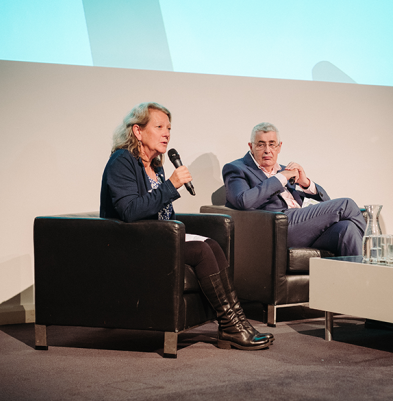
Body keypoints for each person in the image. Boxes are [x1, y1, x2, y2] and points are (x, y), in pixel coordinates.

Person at [100, 102, 272, 350]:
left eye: (169, 127)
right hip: (131, 245)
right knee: (202, 251)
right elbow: (130, 211)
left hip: (156, 238)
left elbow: (160, 211)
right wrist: (171, 186)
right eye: (159, 126)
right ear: (137, 131)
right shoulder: (122, 161)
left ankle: (236, 324)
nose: (166, 133)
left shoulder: (155, 164)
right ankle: (231, 326)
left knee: (211, 244)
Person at [223, 122, 366, 256]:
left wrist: (306, 183)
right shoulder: (237, 169)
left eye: (272, 145)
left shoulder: (286, 170)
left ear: (279, 147)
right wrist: (280, 179)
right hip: (278, 228)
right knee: (346, 204)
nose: (267, 150)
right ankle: (375, 255)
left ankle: (364, 280)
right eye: (261, 145)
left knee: (348, 229)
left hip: (303, 228)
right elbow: (242, 200)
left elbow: (328, 203)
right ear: (251, 146)